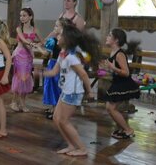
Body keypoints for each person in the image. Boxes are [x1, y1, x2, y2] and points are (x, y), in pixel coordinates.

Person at [43, 24, 99, 156]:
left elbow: (83, 75)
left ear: (67, 39)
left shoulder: (71, 57)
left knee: (64, 120)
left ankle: (82, 148)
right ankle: (71, 145)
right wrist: (43, 73)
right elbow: (54, 71)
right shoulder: (62, 54)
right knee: (57, 119)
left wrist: (90, 91)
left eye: (61, 34)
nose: (58, 35)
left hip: (73, 93)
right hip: (65, 91)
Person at [104, 28, 140, 139]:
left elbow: (126, 72)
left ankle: (128, 130)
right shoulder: (113, 52)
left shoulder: (119, 54)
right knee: (110, 108)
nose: (107, 37)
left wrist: (113, 67)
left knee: (111, 108)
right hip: (117, 82)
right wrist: (105, 68)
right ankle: (123, 128)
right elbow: (114, 70)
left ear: (116, 40)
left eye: (109, 35)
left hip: (124, 84)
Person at [36, 18, 73, 120]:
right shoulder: (69, 41)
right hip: (64, 65)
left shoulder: (54, 40)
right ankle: (57, 108)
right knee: (59, 87)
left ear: (63, 28)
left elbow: (46, 53)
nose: (54, 28)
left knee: (53, 86)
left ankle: (55, 109)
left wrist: (37, 47)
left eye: (56, 26)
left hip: (54, 64)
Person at [10, 7, 43, 112]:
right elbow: (23, 40)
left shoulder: (35, 29)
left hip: (29, 56)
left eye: (24, 15)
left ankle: (20, 103)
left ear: (30, 17)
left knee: (26, 79)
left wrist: (37, 45)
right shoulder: (19, 29)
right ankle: (15, 102)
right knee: (20, 78)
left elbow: (42, 41)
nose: (22, 18)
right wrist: (30, 43)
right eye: (21, 15)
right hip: (19, 55)